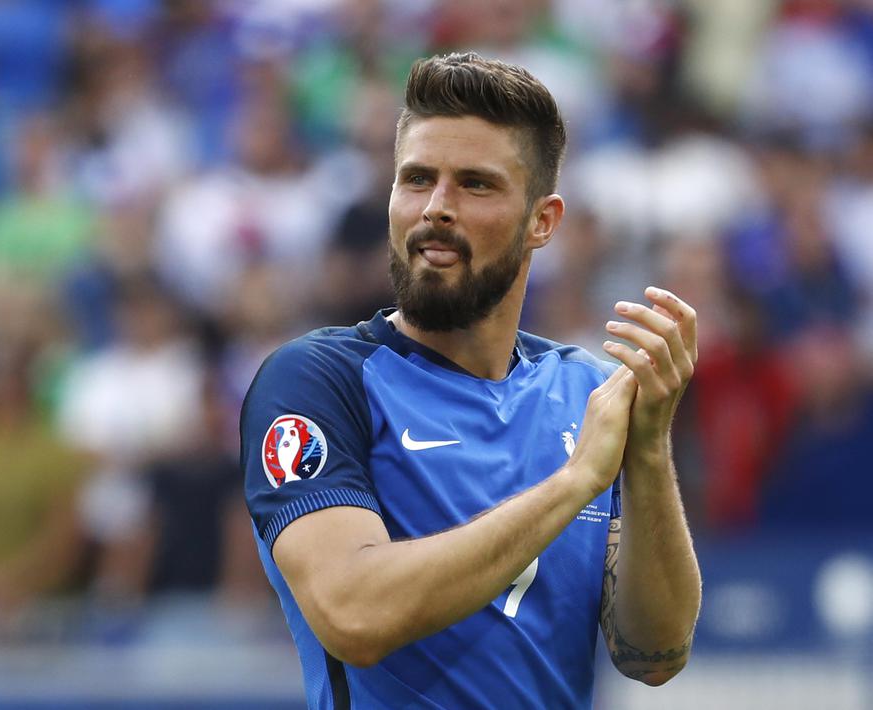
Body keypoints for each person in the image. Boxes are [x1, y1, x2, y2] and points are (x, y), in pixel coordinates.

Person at [241, 52, 702, 709]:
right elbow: (354, 616)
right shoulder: (318, 381)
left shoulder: (586, 393)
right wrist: (572, 484)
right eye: (416, 179)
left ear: (541, 221)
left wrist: (649, 453)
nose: (435, 208)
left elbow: (652, 654)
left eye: (474, 185)